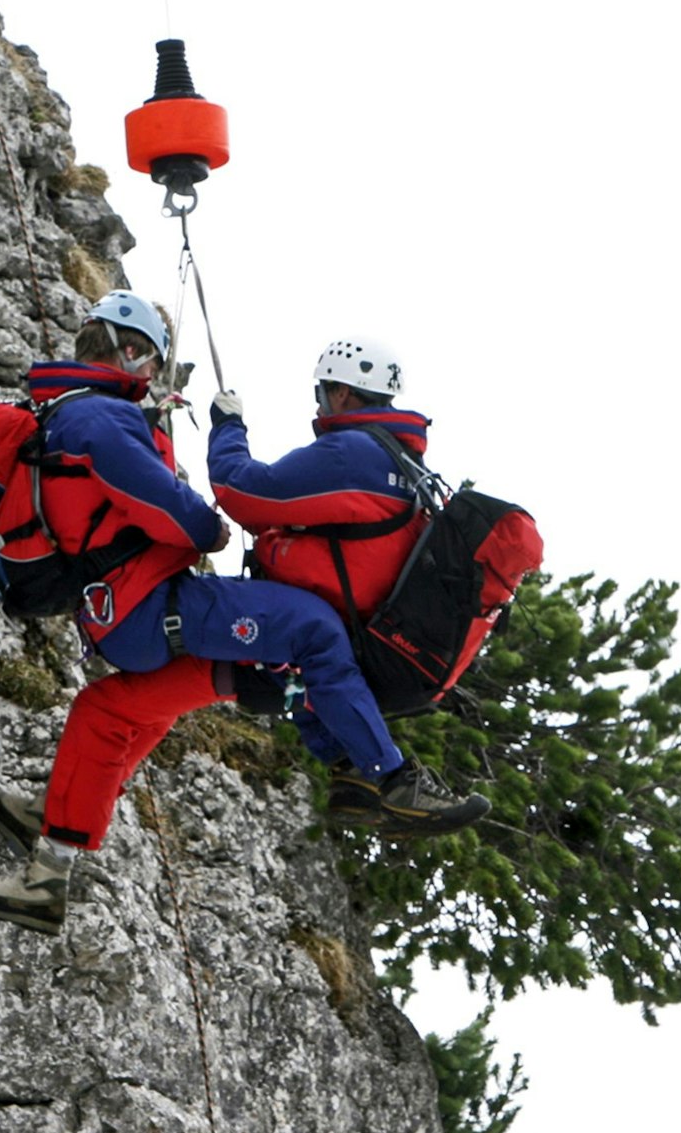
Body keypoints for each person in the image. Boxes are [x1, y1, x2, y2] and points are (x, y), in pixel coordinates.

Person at [0, 295, 483, 936]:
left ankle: (50, 855)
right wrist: (209, 524)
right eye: (151, 360)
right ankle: (389, 777)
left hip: (118, 611)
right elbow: (184, 507)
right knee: (313, 629)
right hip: (151, 606)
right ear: (130, 351)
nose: (152, 374)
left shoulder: (69, 412)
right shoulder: (101, 417)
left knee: (112, 710)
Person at [206, 337, 493, 829]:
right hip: (383, 634)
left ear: (341, 393)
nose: (319, 405)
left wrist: (228, 427)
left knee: (276, 626)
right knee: (307, 642)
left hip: (334, 627)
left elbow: (242, 492)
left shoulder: (352, 453)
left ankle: (389, 776)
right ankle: (352, 772)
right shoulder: (404, 462)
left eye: (321, 392)